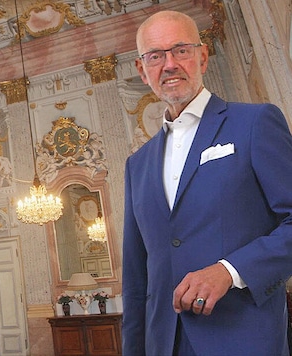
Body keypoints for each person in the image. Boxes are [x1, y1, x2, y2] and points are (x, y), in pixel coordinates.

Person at [122, 10, 292, 355]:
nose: (169, 64)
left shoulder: (255, 122)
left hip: (244, 338)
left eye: (180, 50)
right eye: (155, 56)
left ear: (202, 56)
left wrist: (230, 271)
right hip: (163, 344)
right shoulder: (136, 165)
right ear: (143, 71)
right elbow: (137, 278)